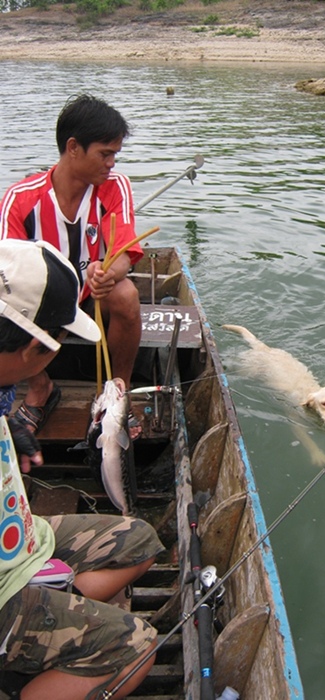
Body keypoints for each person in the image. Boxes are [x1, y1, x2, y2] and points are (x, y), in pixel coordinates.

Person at [0, 240, 164, 700]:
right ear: (35, 346)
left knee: (139, 539)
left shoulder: (3, 390)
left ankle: (54, 599)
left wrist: (11, 427)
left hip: (19, 540)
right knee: (136, 647)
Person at [0, 94, 143, 438]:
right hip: (40, 305)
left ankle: (115, 394)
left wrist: (109, 273)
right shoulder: (20, 199)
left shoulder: (114, 187)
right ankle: (40, 387)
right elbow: (5, 274)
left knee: (126, 295)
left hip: (90, 294)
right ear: (73, 147)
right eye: (104, 154)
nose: (111, 163)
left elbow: (124, 250)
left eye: (115, 155)